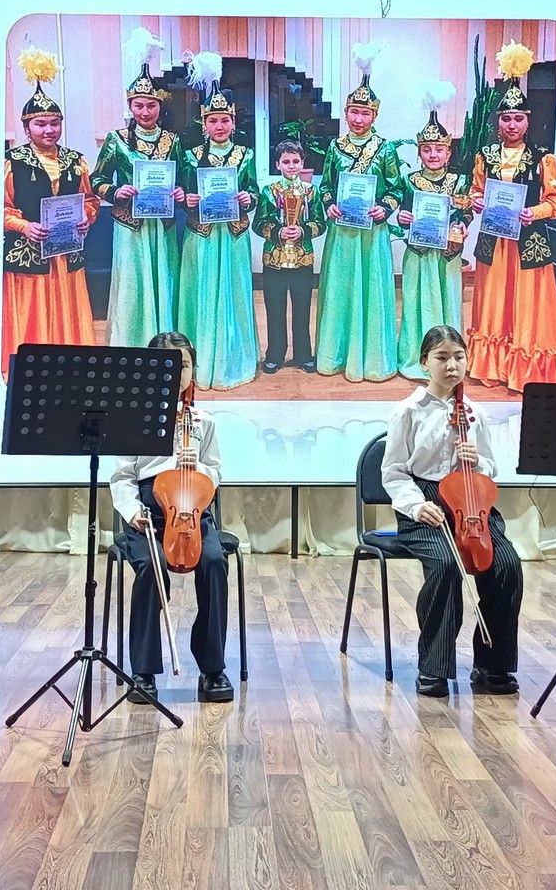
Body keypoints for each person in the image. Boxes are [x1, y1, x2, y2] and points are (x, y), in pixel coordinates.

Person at [380, 325, 523, 697]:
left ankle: (493, 666)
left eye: (459, 357)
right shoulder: (408, 411)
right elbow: (393, 472)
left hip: (471, 504)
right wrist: (416, 505)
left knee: (507, 565)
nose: (452, 365)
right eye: (441, 357)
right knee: (445, 565)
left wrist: (478, 462)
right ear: (424, 362)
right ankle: (434, 667)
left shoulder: (475, 412)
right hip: (425, 503)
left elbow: (491, 468)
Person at [108, 332, 234, 703]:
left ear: (193, 371)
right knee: (151, 567)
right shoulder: (134, 419)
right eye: (167, 366)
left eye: (184, 365)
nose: (177, 373)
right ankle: (143, 671)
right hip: (147, 515)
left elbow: (215, 470)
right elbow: (122, 476)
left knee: (214, 562)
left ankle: (212, 668)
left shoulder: (203, 421)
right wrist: (133, 512)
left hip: (192, 513)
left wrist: (198, 472)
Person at [468, 42, 556, 391]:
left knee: (527, 307)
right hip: (495, 243)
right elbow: (475, 191)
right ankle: (493, 367)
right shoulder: (485, 155)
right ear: (498, 121)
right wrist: (476, 202)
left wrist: (535, 211)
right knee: (494, 304)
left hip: (529, 243)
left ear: (527, 121)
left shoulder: (544, 157)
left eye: (518, 118)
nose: (512, 124)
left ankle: (525, 370)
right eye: (506, 118)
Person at [2, 46, 97, 375]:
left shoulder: (75, 160)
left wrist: (86, 218)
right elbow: (0, 208)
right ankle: (32, 366)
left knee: (68, 308)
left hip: (67, 253)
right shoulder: (12, 162)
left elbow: (89, 200)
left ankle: (69, 363)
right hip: (29, 253)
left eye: (54, 123)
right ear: (26, 128)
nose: (49, 130)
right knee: (34, 311)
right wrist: (24, 226)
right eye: (40, 124)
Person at [314, 48, 402, 382]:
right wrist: (328, 204)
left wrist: (385, 207)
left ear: (374, 116)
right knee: (340, 291)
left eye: (365, 113)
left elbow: (396, 188)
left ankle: (372, 358)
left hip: (371, 234)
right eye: (354, 112)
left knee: (371, 292)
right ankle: (335, 354)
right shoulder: (335, 147)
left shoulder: (385, 149)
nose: (359, 119)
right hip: (343, 232)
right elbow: (325, 186)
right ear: (346, 112)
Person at [92, 32, 183, 347]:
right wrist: (115, 192)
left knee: (164, 280)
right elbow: (97, 180)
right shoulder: (116, 139)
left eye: (151, 106)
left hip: (162, 225)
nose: (145, 112)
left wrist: (179, 194)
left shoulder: (173, 140)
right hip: (130, 226)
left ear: (159, 106)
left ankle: (164, 343)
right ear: (130, 106)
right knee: (133, 285)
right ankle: (130, 344)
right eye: (139, 105)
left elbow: (182, 181)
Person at [176, 88, 259, 390]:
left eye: (225, 120)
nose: (220, 126)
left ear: (233, 123)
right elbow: (181, 193)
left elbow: (254, 191)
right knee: (202, 292)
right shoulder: (190, 156)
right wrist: (187, 199)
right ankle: (199, 359)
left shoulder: (246, 155)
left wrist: (248, 198)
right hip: (202, 236)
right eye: (213, 120)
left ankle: (231, 358)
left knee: (233, 294)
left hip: (233, 235)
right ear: (204, 124)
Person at [394, 93, 473, 381]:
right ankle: (418, 356)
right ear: (419, 153)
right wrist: (402, 217)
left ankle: (449, 359)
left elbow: (465, 212)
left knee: (447, 302)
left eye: (439, 150)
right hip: (419, 252)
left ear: (448, 153)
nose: (433, 155)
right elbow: (402, 212)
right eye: (427, 150)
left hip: (447, 254)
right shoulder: (409, 181)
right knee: (417, 303)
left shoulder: (459, 181)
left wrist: (463, 224)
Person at [253, 139, 323, 374]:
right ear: (277, 164)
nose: (291, 166)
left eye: (295, 161)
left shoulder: (312, 191)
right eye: (286, 162)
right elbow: (258, 223)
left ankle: (304, 354)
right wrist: (277, 232)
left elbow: (320, 223)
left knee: (302, 309)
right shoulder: (268, 191)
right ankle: (275, 353)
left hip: (303, 259)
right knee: (275, 309)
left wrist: (303, 231)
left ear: (302, 163)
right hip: (274, 260)